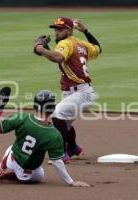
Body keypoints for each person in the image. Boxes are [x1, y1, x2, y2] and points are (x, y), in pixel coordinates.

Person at [0, 87, 90, 187]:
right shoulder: (54, 134)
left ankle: (1, 169)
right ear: (52, 108)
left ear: (35, 105)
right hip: (28, 177)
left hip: (12, 161)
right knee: (40, 174)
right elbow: (57, 162)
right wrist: (71, 182)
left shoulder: (22, 118)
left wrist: (0, 107)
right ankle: (8, 174)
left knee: (11, 148)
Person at [33, 17, 102, 163]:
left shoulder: (66, 43)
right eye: (55, 29)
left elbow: (57, 57)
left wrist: (40, 48)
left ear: (69, 30)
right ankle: (73, 147)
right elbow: (98, 48)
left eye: (61, 29)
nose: (57, 32)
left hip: (80, 93)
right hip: (80, 93)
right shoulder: (82, 43)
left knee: (57, 114)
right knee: (64, 124)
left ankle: (60, 154)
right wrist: (85, 31)